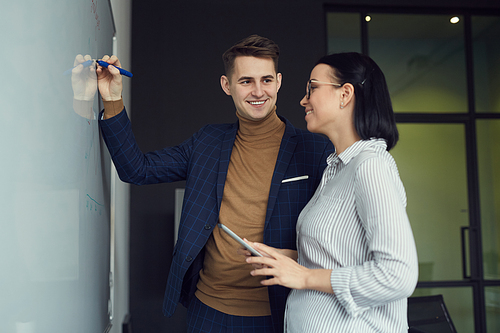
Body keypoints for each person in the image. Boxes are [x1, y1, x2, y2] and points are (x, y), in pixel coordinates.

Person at [96, 35, 334, 332]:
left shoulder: (315, 150)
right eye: (246, 81)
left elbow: (335, 241)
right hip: (207, 311)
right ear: (227, 85)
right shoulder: (207, 141)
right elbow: (137, 169)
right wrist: (112, 98)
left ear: (279, 81)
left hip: (279, 314)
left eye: (266, 80)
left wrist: (294, 258)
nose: (258, 91)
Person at [245, 52, 419, 332]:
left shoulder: (371, 166)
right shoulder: (335, 170)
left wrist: (303, 278)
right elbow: (338, 258)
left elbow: (397, 276)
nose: (304, 99)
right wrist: (285, 260)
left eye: (312, 88)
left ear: (345, 94)